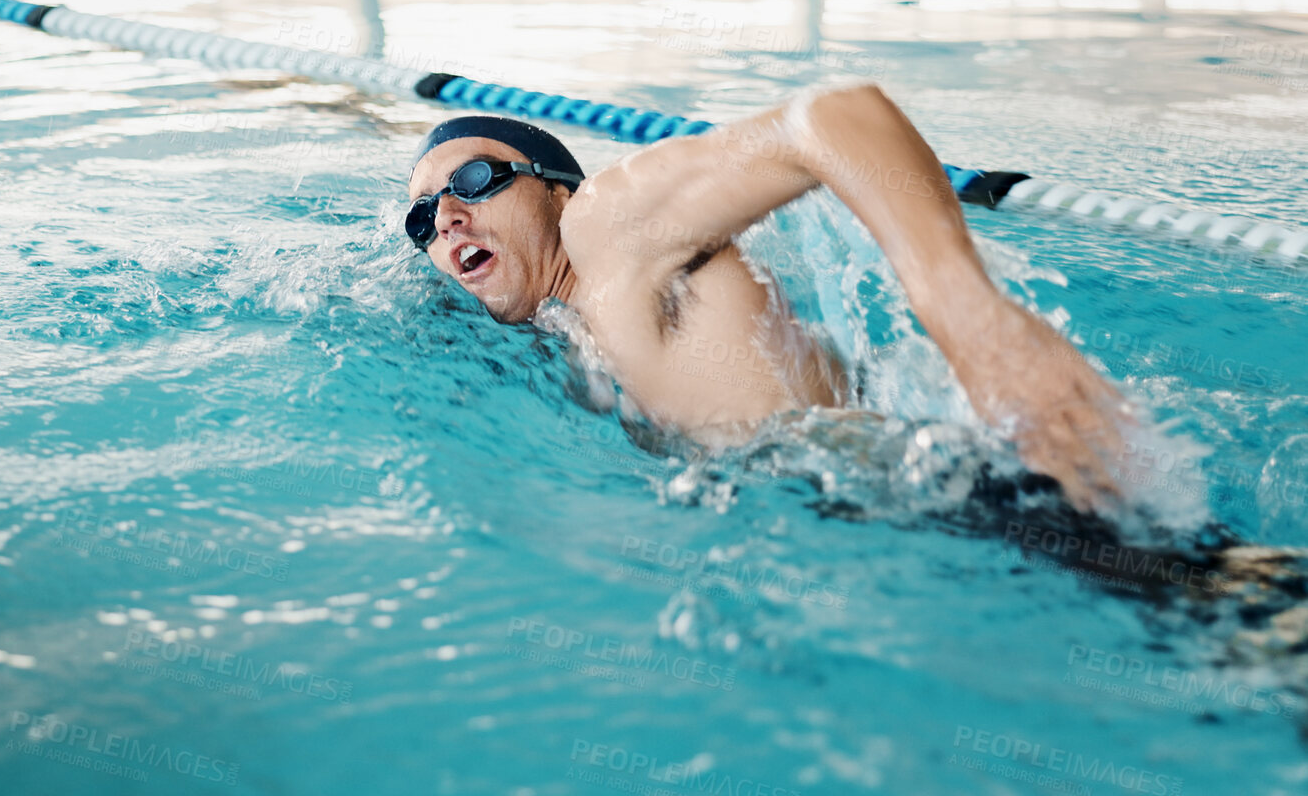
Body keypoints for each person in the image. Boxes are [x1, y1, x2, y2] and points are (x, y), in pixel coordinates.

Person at [403, 83, 1133, 515]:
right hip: (877, 513)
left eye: (472, 181)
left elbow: (833, 115)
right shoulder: (559, 325)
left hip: (977, 504)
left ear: (554, 187)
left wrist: (965, 311)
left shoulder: (604, 229)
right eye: (423, 218)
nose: (446, 218)